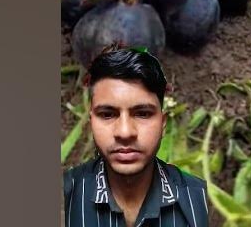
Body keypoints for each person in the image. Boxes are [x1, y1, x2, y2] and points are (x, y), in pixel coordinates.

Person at [63, 46, 210, 227]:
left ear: (163, 123)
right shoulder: (64, 196)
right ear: (90, 122)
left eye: (142, 114)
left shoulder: (201, 200)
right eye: (107, 114)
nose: (125, 133)